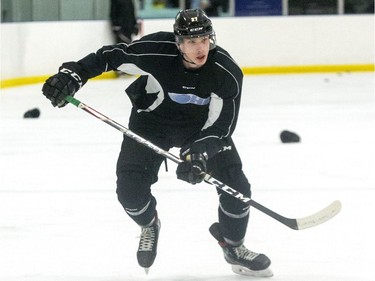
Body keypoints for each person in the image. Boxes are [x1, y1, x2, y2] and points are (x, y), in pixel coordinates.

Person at [41, 8, 272, 277]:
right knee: (129, 193)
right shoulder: (155, 51)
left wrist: (197, 154)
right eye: (191, 41)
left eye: (204, 40)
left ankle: (233, 246)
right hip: (151, 124)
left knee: (236, 186)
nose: (200, 48)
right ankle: (149, 224)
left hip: (200, 131)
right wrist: (72, 75)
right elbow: (108, 57)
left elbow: (221, 127)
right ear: (178, 43)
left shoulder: (225, 72)